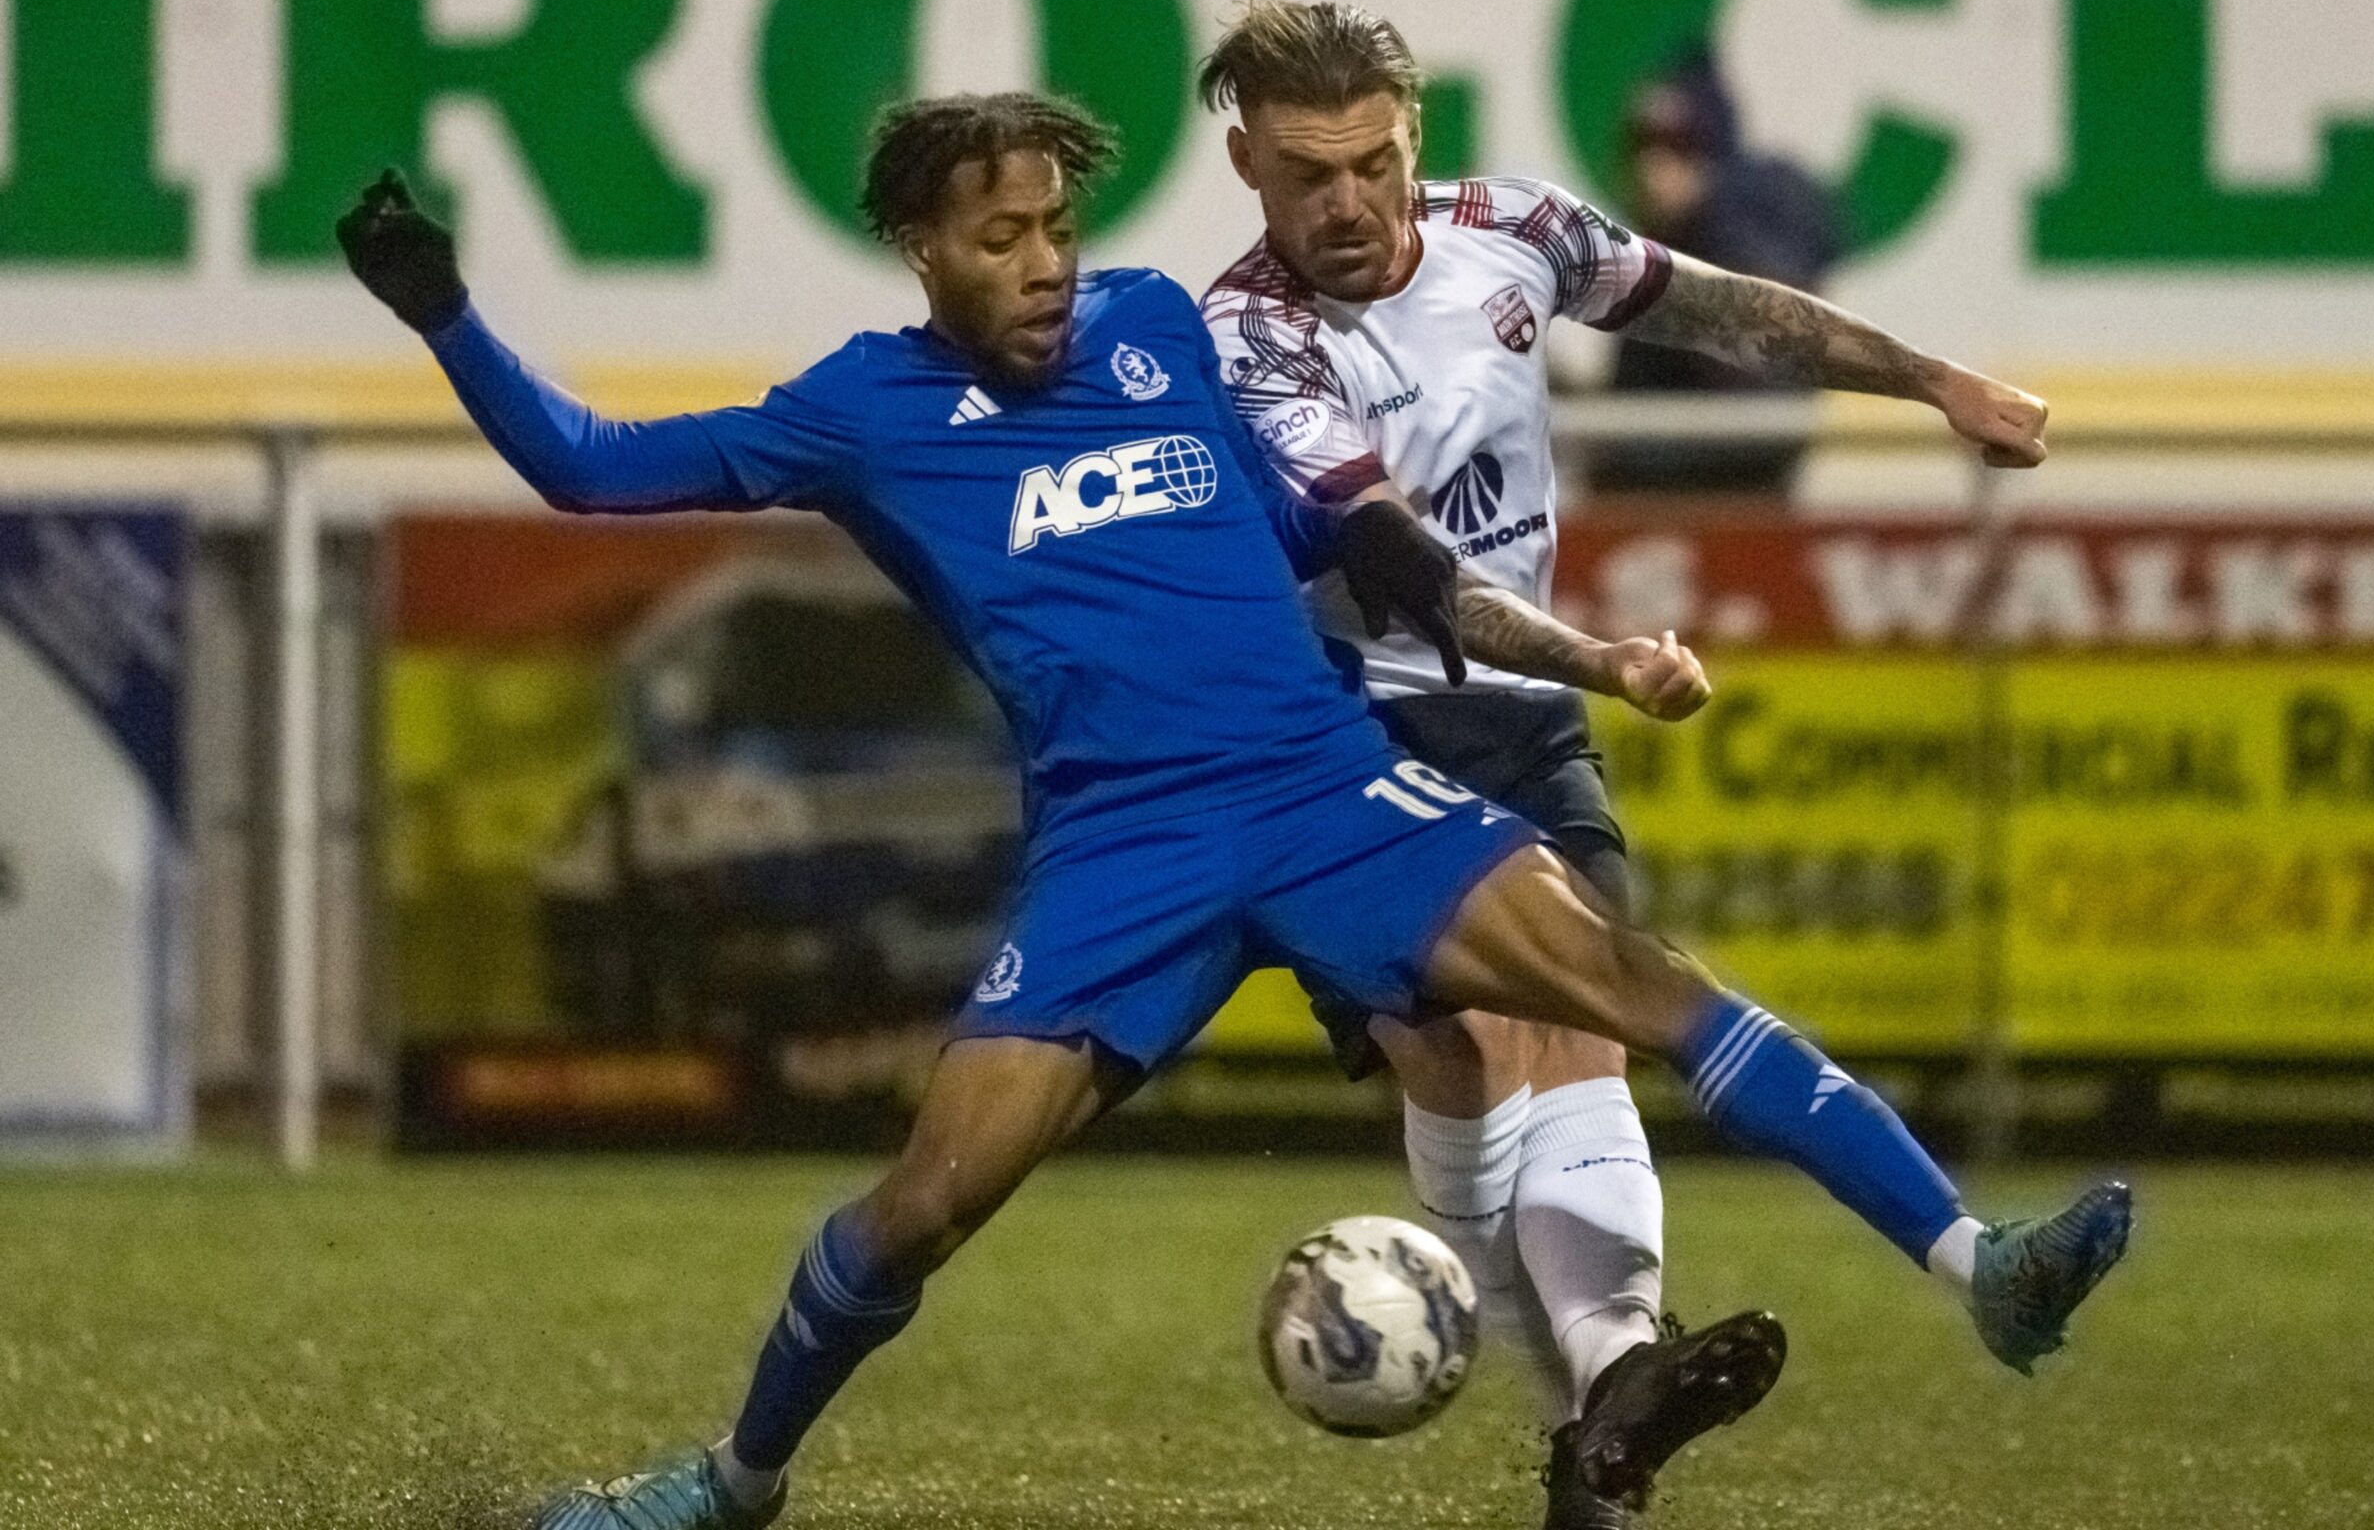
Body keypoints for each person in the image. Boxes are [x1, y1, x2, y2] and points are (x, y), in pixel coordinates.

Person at [336, 89, 2124, 1530]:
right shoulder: (858, 415)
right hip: (1126, 850)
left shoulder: (1147, 333)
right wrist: (449, 316)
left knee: (1639, 986)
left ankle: (1981, 1266)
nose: (1044, 264)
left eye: (1055, 226)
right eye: (998, 237)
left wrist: (1540, 641)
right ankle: (732, 1487)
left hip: (1325, 780)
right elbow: (582, 466)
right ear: (919, 249)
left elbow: (1333, 532)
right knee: (923, 1208)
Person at [1197, 0, 2087, 1530]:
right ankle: (1598, 1414)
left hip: (1522, 721)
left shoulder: (1514, 231)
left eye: (1374, 162)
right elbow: (1403, 564)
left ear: (1416, 138)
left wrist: (1936, 379)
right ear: (1245, 166)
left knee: (1590, 1021)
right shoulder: (1250, 335)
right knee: (1463, 1059)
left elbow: (1722, 308)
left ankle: (1622, 1392)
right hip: (1345, 732)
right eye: (1306, 175)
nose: (1347, 202)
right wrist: (1599, 656)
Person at [1603, 47, 1847, 495]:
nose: (1652, 171)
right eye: (1642, 150)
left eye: (1677, 151)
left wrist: (1619, 448)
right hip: (1661, 499)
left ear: (1712, 157)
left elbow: (1756, 421)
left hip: (1728, 502)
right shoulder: (1656, 255)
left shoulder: (1740, 247)